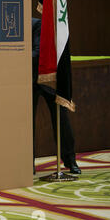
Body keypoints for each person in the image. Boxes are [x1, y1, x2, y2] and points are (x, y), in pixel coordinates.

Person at [32, 18, 81, 174]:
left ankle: (70, 160)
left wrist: (16, 52)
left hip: (48, 78)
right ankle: (27, 163)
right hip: (26, 80)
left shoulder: (36, 24)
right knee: (26, 123)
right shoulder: (8, 30)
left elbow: (38, 51)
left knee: (61, 118)